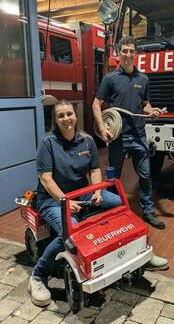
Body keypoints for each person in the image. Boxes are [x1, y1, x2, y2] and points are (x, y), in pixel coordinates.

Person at [28, 100, 122, 307]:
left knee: (118, 204)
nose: (66, 119)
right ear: (55, 120)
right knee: (69, 234)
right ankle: (38, 276)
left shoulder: (87, 141)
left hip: (83, 194)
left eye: (69, 113)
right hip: (53, 199)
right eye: (60, 116)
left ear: (76, 115)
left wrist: (97, 191)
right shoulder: (48, 143)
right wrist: (64, 201)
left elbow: (95, 170)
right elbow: (45, 178)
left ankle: (123, 250)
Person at [92, 35, 165, 230]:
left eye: (131, 51)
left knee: (145, 175)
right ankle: (113, 211)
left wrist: (152, 110)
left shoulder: (143, 78)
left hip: (139, 134)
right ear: (119, 53)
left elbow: (145, 104)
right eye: (124, 51)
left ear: (136, 54)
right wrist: (102, 126)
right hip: (119, 136)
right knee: (115, 176)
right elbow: (96, 104)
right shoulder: (110, 78)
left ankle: (148, 211)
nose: (128, 54)